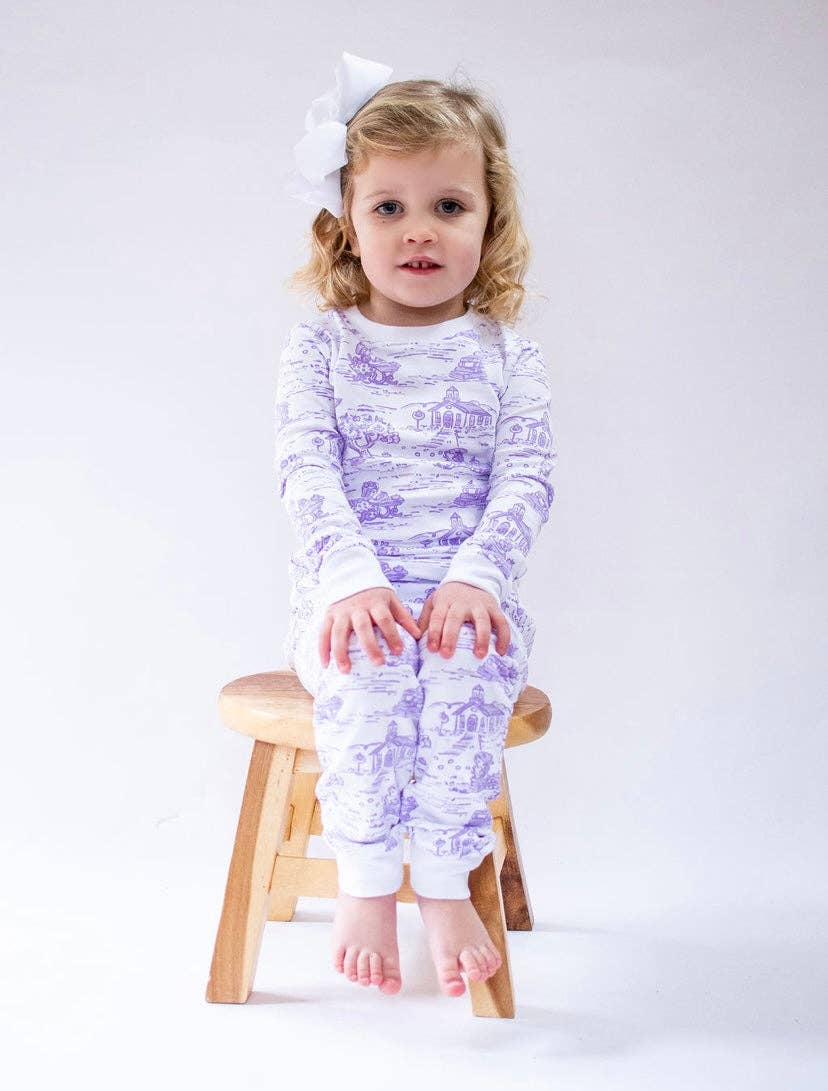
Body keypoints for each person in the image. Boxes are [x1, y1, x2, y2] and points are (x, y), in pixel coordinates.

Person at [275, 52, 557, 999]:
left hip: (468, 594)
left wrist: (478, 576)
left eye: (449, 205)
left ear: (490, 219)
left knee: (466, 669)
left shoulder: (507, 357)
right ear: (347, 224)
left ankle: (441, 879)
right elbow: (306, 470)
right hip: (348, 595)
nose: (419, 230)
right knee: (370, 668)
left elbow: (525, 481)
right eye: (389, 206)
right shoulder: (322, 347)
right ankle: (364, 878)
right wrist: (352, 581)